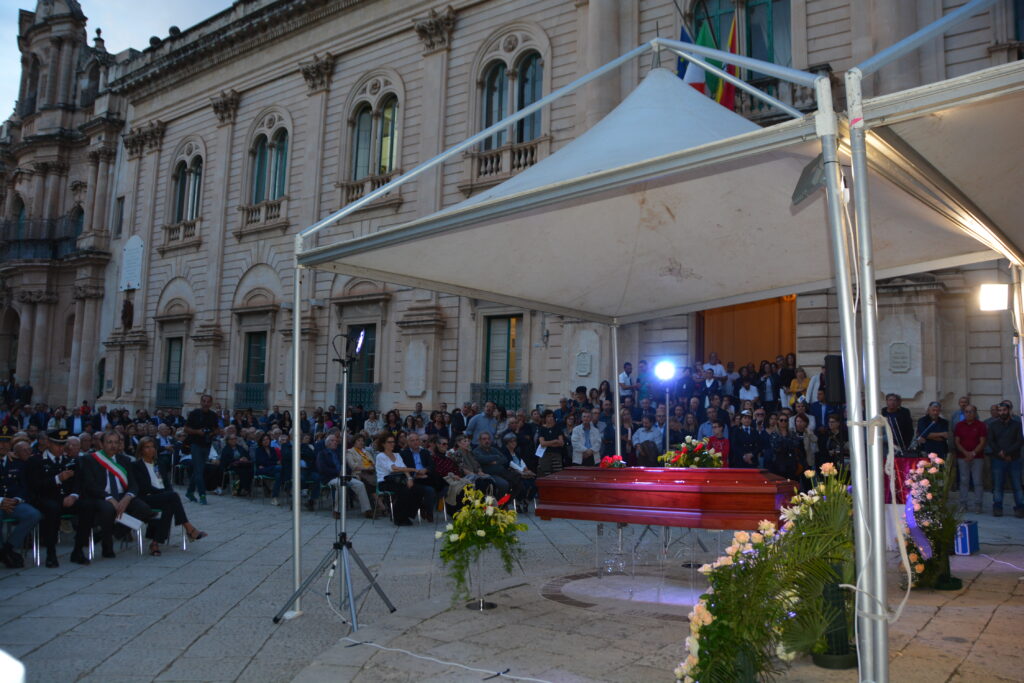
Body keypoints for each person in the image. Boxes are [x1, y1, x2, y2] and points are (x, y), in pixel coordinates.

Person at [74, 431, 156, 559]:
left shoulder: (125, 460)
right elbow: (90, 485)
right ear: (101, 444)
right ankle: (107, 546)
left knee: (144, 509)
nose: (113, 445)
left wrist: (127, 498)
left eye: (116, 442)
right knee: (108, 509)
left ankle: (106, 534)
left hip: (122, 495)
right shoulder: (90, 459)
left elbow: (133, 485)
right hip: (101, 496)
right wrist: (109, 497)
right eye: (109, 442)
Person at [132, 437, 207, 556]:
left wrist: (167, 493)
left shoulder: (159, 463)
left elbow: (167, 483)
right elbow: (143, 487)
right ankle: (188, 527)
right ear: (141, 450)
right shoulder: (136, 465)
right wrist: (165, 494)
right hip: (147, 497)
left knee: (170, 505)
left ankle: (155, 542)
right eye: (147, 447)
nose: (151, 450)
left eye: (153, 447)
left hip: (164, 497)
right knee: (172, 497)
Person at [1, 440, 43, 568]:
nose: (2, 445)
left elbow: (24, 485)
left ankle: (7, 548)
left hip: (14, 502)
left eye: (5, 442)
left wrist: (17, 499)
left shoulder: (18, 462)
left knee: (33, 515)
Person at [318, 433, 373, 519]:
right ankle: (337, 510)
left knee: (360, 484)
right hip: (330, 478)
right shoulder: (322, 454)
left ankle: (367, 510)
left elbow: (347, 466)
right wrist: (338, 473)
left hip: (344, 476)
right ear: (328, 443)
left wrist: (345, 472)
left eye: (336, 441)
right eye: (333, 441)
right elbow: (322, 469)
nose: (336, 442)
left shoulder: (339, 453)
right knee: (340, 484)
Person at [375, 434, 423, 526]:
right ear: (383, 444)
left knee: (419, 490)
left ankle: (407, 515)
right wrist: (413, 469)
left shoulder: (397, 455)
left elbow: (403, 468)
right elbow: (394, 468)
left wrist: (409, 478)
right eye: (389, 442)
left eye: (393, 442)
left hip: (399, 480)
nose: (392, 444)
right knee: (404, 491)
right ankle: (398, 517)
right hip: (385, 482)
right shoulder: (380, 456)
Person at [986, 402, 1023, 518]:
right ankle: (997, 507)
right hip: (998, 459)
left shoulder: (1018, 425)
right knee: (997, 485)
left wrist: (1007, 452)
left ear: (1009, 410)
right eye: (1000, 410)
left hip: (1014, 459)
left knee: (1017, 486)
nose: (1002, 413)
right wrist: (1000, 452)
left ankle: (1020, 508)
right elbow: (991, 441)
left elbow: (1019, 441)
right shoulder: (993, 425)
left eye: (1004, 410)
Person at [183, 394, 219, 505]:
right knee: (199, 471)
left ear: (211, 403)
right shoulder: (194, 414)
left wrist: (212, 433)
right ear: (201, 402)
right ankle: (202, 494)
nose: (206, 403)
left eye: (208, 401)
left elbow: (216, 429)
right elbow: (186, 429)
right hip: (195, 444)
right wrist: (198, 432)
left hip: (207, 444)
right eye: (204, 401)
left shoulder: (213, 415)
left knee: (199, 469)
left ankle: (189, 492)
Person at [953, 405, 987, 513]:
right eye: (966, 412)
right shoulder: (959, 425)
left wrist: (973, 453)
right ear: (964, 413)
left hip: (977, 458)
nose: (969, 414)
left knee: (977, 482)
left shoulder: (981, 425)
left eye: (971, 411)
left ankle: (978, 505)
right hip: (962, 457)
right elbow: (957, 441)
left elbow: (982, 442)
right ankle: (963, 504)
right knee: (964, 481)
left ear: (975, 413)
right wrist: (965, 453)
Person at [400, 432, 438, 522]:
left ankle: (424, 506)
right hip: (414, 478)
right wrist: (415, 474)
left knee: (443, 486)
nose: (415, 442)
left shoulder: (425, 452)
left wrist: (425, 470)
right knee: (430, 490)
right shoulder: (404, 454)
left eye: (417, 440)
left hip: (426, 476)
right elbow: (403, 468)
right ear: (408, 442)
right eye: (412, 440)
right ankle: (429, 512)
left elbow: (432, 466)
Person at [472, 432, 511, 498]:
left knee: (518, 482)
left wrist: (495, 462)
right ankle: (499, 503)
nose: (487, 441)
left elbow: (505, 459)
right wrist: (496, 457)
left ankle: (506, 502)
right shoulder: (476, 451)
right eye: (484, 439)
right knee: (504, 484)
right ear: (479, 441)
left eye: (488, 439)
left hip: (502, 473)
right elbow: (482, 459)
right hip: (490, 475)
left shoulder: (493, 449)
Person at [536, 410, 565, 476]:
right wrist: (555, 441)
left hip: (556, 455)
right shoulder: (541, 429)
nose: (551, 418)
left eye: (552, 416)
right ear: (545, 418)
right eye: (549, 416)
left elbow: (561, 443)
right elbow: (542, 443)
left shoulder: (558, 428)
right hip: (545, 455)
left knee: (557, 475)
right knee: (545, 475)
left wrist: (548, 443)